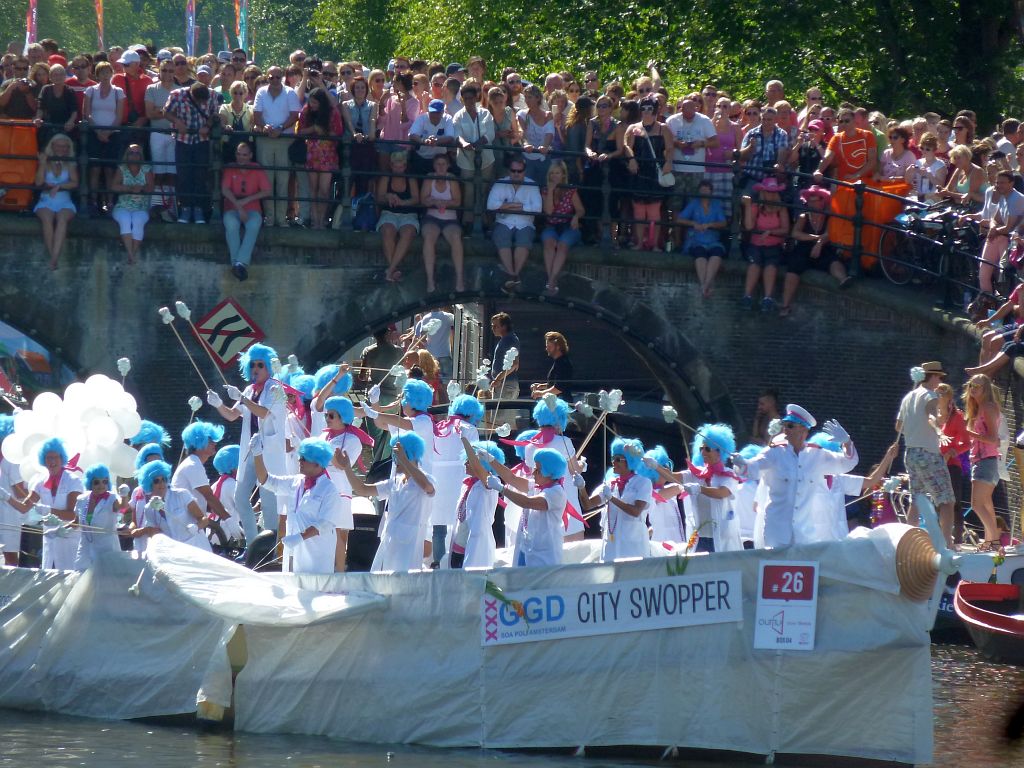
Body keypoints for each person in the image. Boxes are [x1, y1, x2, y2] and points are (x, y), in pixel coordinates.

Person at [732, 404, 857, 548]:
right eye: (784, 425)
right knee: (775, 568)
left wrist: (846, 442)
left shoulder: (817, 455)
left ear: (803, 430)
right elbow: (752, 468)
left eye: (790, 425)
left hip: (805, 533)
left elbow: (848, 463)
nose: (785, 429)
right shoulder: (774, 453)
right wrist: (741, 464)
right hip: (777, 533)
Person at [206, 343, 288, 545]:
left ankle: (270, 548)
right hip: (251, 451)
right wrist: (218, 404)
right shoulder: (250, 390)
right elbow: (233, 415)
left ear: (269, 367)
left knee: (269, 503)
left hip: (268, 454)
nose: (256, 369)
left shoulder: (277, 389)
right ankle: (253, 545)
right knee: (241, 498)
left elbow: (264, 412)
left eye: (261, 365)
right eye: (253, 365)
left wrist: (242, 398)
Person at [341, 432, 436, 572]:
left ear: (407, 454)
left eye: (396, 455)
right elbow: (362, 489)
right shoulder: (394, 481)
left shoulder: (427, 479)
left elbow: (428, 488)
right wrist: (347, 468)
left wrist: (405, 460)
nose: (394, 460)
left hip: (410, 543)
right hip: (390, 539)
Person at [251, 436, 340, 574]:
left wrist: (299, 537)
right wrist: (257, 454)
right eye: (300, 456)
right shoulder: (296, 481)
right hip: (293, 551)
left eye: (304, 458)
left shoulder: (330, 489)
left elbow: (325, 523)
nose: (299, 460)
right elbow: (266, 480)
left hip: (316, 552)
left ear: (317, 463)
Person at [894, 361, 955, 542]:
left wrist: (915, 431)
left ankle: (909, 541)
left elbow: (899, 426)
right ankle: (947, 543)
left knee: (917, 499)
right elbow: (931, 416)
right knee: (947, 501)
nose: (940, 381)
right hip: (928, 454)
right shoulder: (931, 396)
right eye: (939, 377)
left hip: (910, 454)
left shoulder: (908, 397)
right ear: (933, 376)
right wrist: (939, 431)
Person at [3, 438, 83, 569]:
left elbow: (73, 516)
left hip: (69, 542)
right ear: (43, 460)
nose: (51, 461)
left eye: (55, 457)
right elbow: (24, 507)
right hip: (50, 542)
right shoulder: (40, 481)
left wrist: (48, 511)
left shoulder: (73, 481)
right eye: (48, 458)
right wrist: (6, 497)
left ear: (61, 458)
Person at [483, 447, 569, 567]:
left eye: (538, 470)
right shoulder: (536, 486)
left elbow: (527, 502)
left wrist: (501, 488)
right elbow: (511, 478)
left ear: (549, 472)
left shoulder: (556, 492)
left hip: (545, 555)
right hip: (527, 548)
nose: (533, 473)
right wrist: (491, 460)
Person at [428, 394, 484, 567]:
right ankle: (454, 563)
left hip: (438, 478)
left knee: (438, 527)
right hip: (459, 478)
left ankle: (438, 562)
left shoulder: (439, 427)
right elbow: (474, 458)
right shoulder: (470, 429)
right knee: (459, 525)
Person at [779, 185, 850, 316]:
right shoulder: (803, 217)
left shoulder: (829, 217)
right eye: (810, 200)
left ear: (822, 201)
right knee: (793, 267)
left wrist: (819, 243)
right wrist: (816, 238)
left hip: (824, 248)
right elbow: (795, 233)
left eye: (815, 200)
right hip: (804, 247)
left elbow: (829, 234)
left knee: (833, 261)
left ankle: (843, 279)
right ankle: (785, 305)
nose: (812, 203)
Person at [578, 438, 651, 561]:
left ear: (629, 461)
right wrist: (581, 487)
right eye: (613, 458)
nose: (613, 462)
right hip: (611, 548)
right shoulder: (610, 484)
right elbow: (588, 504)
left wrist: (612, 498)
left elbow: (636, 511)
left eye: (618, 459)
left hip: (633, 548)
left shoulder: (643, 482)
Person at [679, 425, 741, 552]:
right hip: (700, 540)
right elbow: (674, 477)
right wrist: (655, 466)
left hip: (722, 540)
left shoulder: (729, 475)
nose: (703, 452)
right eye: (701, 448)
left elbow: (721, 492)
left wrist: (700, 489)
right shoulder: (697, 474)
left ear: (719, 451)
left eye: (707, 449)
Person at [623, 95, 674, 250]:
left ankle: (655, 244)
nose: (646, 111)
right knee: (638, 210)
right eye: (643, 108)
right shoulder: (633, 128)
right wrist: (631, 159)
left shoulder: (663, 128)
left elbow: (670, 148)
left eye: (649, 108)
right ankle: (639, 242)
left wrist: (669, 162)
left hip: (655, 172)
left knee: (654, 212)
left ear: (655, 110)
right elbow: (627, 146)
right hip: (639, 171)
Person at [253, 66, 301, 227]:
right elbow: (257, 115)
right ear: (267, 78)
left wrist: (280, 128)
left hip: (284, 140)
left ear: (282, 77)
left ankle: (281, 219)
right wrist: (266, 127)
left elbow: (295, 115)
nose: (274, 80)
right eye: (271, 77)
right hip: (265, 140)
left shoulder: (290, 93)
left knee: (282, 180)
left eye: (277, 77)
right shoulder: (260, 92)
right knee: (266, 180)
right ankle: (269, 217)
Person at [164, 82, 217, 223]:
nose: (200, 104)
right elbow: (166, 111)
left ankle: (199, 209)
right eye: (198, 101)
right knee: (183, 175)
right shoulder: (177, 95)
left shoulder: (212, 95)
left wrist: (207, 125)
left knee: (201, 175)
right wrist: (177, 121)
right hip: (183, 140)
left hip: (202, 140)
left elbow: (214, 114)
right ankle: (185, 209)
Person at [130, 460, 211, 550]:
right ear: (149, 484)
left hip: (196, 547)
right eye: (156, 481)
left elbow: (204, 519)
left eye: (163, 479)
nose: (161, 484)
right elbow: (153, 533)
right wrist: (144, 531)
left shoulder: (182, 494)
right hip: (174, 553)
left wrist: (196, 527)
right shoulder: (149, 508)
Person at [664, 93, 718, 229]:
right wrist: (676, 142)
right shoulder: (672, 121)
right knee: (675, 206)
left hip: (696, 170)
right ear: (680, 109)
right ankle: (676, 241)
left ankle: (690, 239)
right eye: (684, 111)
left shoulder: (704, 120)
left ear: (696, 109)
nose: (688, 115)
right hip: (677, 169)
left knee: (693, 205)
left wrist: (701, 144)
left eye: (691, 112)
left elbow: (715, 142)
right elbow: (664, 140)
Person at [488, 158, 542, 292]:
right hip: (503, 222)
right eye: (513, 171)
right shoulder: (500, 183)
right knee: (502, 238)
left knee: (523, 240)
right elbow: (490, 205)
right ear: (509, 171)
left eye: (519, 171)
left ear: (524, 171)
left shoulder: (532, 185)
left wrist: (505, 206)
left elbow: (538, 208)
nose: (516, 174)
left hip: (525, 223)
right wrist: (519, 206)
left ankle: (512, 276)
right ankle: (513, 276)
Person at [221, 141, 272, 281]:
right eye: (238, 154)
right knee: (232, 225)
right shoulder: (230, 168)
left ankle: (239, 263)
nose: (241, 158)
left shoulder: (257, 169)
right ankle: (238, 264)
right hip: (231, 208)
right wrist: (239, 206)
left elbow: (267, 191)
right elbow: (225, 189)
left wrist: (246, 201)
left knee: (253, 225)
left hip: (252, 209)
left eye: (244, 155)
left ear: (250, 156)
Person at [963, 374, 1003, 550]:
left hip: (986, 460)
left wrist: (970, 434)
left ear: (985, 389)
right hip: (982, 460)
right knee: (986, 503)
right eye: (971, 385)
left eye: (977, 386)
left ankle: (994, 540)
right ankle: (989, 541)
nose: (973, 389)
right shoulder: (979, 408)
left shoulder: (987, 407)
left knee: (976, 504)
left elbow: (994, 438)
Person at [450, 436, 503, 568]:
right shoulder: (467, 485)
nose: (465, 464)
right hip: (459, 546)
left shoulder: (491, 483)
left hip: (476, 544)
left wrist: (464, 440)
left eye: (469, 461)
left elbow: (479, 470)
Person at [740, 177, 790, 312]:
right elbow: (749, 227)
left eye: (773, 192)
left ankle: (767, 298)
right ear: (763, 192)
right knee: (755, 263)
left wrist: (770, 232)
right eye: (768, 191)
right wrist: (748, 206)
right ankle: (747, 295)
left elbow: (786, 230)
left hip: (775, 245)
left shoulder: (782, 209)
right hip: (756, 244)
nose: (771, 194)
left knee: (771, 265)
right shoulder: (756, 206)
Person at [172, 421, 231, 533]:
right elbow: (209, 496)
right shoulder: (193, 465)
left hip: (191, 526)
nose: (214, 443)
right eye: (210, 440)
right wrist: (229, 520)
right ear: (198, 442)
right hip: (185, 528)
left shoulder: (193, 463)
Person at [82, 61, 125, 216]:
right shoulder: (90, 91)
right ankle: (93, 202)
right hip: (94, 134)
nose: (105, 76)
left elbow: (119, 115)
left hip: (112, 135)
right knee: (94, 169)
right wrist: (98, 131)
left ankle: (110, 202)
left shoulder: (118, 92)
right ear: (97, 75)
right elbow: (87, 113)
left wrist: (108, 132)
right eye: (102, 73)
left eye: (108, 72)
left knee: (109, 170)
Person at [297, 87, 343, 230]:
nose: (313, 105)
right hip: (312, 153)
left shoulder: (332, 113)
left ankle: (322, 219)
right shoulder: (306, 111)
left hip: (327, 155)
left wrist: (325, 132)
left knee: (324, 189)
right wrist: (313, 129)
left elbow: (339, 132)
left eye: (315, 103)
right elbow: (299, 131)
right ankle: (314, 219)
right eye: (311, 102)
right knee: (313, 189)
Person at [452, 79, 496, 228]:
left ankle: (483, 221)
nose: (469, 101)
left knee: (483, 191)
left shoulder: (485, 114)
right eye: (466, 99)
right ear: (462, 99)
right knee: (469, 193)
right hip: (466, 159)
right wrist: (465, 145)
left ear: (476, 98)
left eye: (471, 98)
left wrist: (479, 144)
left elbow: (490, 133)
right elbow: (457, 135)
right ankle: (468, 222)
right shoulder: (458, 116)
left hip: (486, 159)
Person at [419, 154, 465, 293]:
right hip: (432, 218)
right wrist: (434, 202)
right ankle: (430, 280)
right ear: (434, 166)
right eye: (438, 164)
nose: (440, 167)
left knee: (456, 238)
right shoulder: (429, 178)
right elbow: (423, 200)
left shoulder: (452, 179)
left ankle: (459, 279)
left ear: (448, 166)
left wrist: (444, 202)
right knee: (429, 238)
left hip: (450, 219)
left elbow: (457, 201)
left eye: (443, 164)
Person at [33, 133, 78, 270]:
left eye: (65, 147)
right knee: (47, 219)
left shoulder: (70, 163)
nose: (62, 149)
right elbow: (39, 182)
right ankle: (53, 256)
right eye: (59, 146)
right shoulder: (46, 161)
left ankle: (54, 257)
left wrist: (59, 186)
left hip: (64, 200)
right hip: (46, 200)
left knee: (62, 219)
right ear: (52, 146)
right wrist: (42, 164)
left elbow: (75, 183)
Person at [540, 160, 584, 295]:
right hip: (552, 226)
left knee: (562, 245)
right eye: (552, 173)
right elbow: (548, 212)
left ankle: (551, 281)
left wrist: (576, 217)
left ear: (563, 174)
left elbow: (581, 210)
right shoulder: (545, 191)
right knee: (549, 243)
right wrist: (551, 191)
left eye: (557, 173)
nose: (554, 176)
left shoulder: (571, 190)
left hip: (568, 226)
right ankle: (551, 281)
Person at [376, 150, 420, 283]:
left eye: (401, 167)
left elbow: (416, 199)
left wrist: (403, 202)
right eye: (396, 166)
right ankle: (393, 270)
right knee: (388, 230)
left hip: (408, 214)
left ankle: (390, 270)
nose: (398, 169)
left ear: (405, 166)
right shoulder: (386, 178)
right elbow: (379, 197)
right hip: (389, 213)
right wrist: (388, 196)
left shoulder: (410, 179)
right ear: (391, 165)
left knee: (408, 232)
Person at [677, 179, 727, 297]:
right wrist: (693, 223)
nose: (704, 192)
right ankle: (705, 285)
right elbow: (680, 219)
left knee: (716, 253)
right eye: (702, 189)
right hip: (696, 239)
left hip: (713, 240)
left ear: (711, 192)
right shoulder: (694, 203)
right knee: (700, 254)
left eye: (707, 189)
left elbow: (723, 223)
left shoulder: (716, 204)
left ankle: (705, 284)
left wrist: (710, 225)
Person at [72, 464, 126, 571]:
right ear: (90, 483)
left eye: (105, 481)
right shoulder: (82, 499)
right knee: (80, 577)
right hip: (85, 549)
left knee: (106, 580)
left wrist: (124, 495)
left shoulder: (112, 498)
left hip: (107, 549)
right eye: (97, 482)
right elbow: (76, 523)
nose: (101, 485)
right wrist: (59, 527)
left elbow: (122, 505)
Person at [144, 57, 179, 221]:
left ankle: (170, 206)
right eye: (164, 70)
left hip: (173, 134)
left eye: (171, 71)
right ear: (159, 71)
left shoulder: (179, 90)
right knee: (158, 171)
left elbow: (180, 115)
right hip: (157, 133)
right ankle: (156, 205)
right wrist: (167, 111)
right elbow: (149, 113)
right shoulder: (151, 89)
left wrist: (161, 110)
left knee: (171, 172)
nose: (167, 74)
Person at [935, 382, 969, 545]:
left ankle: (957, 538)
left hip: (951, 465)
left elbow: (967, 442)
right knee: (937, 502)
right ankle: (939, 538)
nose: (938, 396)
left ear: (948, 397)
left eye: (942, 393)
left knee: (954, 502)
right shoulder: (932, 416)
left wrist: (953, 451)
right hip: (934, 464)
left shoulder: (956, 417)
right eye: (937, 393)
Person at [110, 144, 154, 265]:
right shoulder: (121, 169)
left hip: (141, 207)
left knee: (137, 221)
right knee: (125, 219)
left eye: (137, 153)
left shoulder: (146, 169)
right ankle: (131, 254)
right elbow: (114, 186)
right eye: (131, 153)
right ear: (127, 155)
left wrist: (142, 188)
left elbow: (151, 188)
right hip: (122, 206)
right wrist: (128, 188)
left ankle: (131, 254)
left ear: (141, 156)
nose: (134, 156)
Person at [341, 76, 378, 199]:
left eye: (363, 87)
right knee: (347, 181)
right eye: (357, 88)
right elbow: (348, 122)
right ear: (353, 89)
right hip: (350, 147)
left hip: (366, 146)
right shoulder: (346, 105)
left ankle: (359, 210)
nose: (360, 90)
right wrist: (354, 134)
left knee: (363, 181)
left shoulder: (373, 105)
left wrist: (371, 134)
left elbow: (372, 120)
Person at [639, 445, 685, 543]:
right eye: (664, 467)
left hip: (676, 544)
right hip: (665, 548)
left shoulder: (667, 490)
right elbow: (679, 487)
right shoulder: (651, 493)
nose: (668, 470)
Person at [408, 98, 456, 176]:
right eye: (432, 112)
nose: (434, 115)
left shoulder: (448, 119)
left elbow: (450, 137)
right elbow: (412, 134)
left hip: (440, 159)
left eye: (437, 112)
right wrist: (424, 141)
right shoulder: (421, 118)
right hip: (421, 158)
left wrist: (436, 141)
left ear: (442, 112)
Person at [33, 63, 77, 147]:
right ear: (50, 77)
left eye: (61, 74)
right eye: (55, 75)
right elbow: (40, 107)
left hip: (65, 127)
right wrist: (38, 118)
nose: (58, 77)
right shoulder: (45, 89)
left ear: (65, 76)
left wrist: (71, 121)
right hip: (48, 127)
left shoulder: (70, 91)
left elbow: (74, 110)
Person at [210, 445, 244, 542]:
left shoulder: (217, 484)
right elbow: (243, 510)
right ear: (234, 466)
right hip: (228, 535)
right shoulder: (233, 484)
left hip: (214, 533)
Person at [414, 309, 455, 384]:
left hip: (431, 354)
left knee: (432, 380)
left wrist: (427, 345)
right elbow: (455, 329)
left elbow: (421, 337)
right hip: (445, 353)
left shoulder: (426, 318)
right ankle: (446, 395)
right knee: (447, 381)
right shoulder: (448, 317)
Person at [531, 331, 573, 402]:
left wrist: (541, 393)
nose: (546, 349)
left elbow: (559, 388)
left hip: (561, 404)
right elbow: (556, 383)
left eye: (549, 346)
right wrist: (541, 386)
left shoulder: (563, 363)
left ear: (558, 346)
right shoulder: (559, 362)